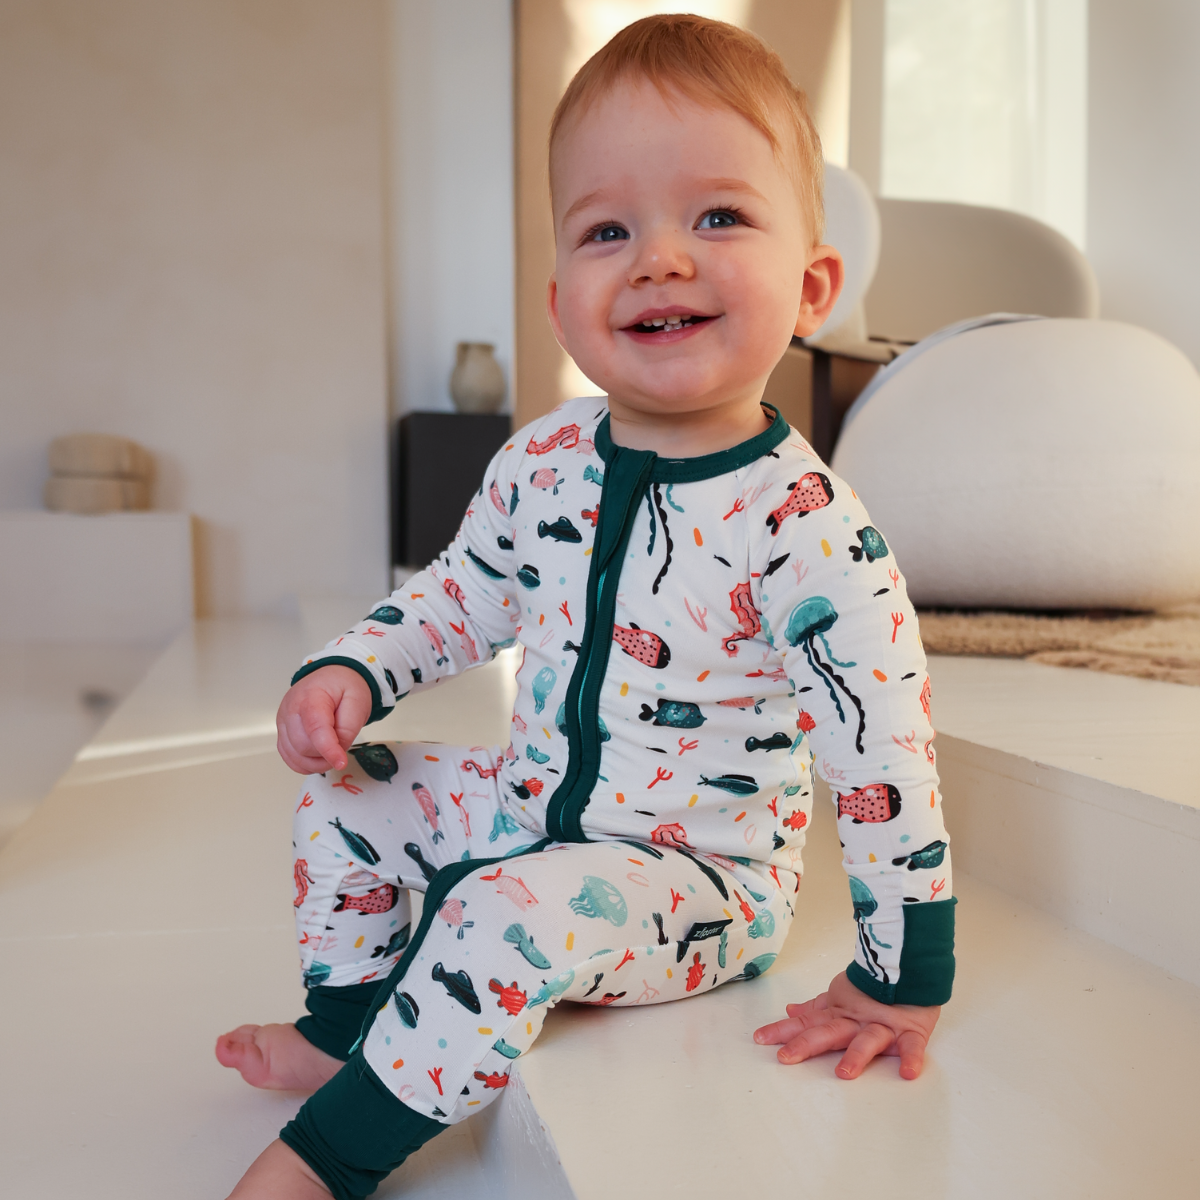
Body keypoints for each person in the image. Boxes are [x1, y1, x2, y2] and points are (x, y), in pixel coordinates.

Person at [218, 15, 953, 1199]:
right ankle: (345, 1028)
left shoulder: (807, 529)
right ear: (563, 305)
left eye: (719, 217)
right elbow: (461, 594)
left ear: (813, 285)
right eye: (610, 229)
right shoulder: (543, 459)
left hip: (698, 885)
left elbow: (884, 757)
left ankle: (326, 1160)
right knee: (347, 799)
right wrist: (354, 671)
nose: (659, 258)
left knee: (502, 916)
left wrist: (900, 978)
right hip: (530, 808)